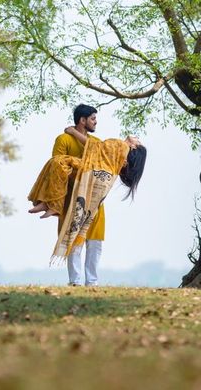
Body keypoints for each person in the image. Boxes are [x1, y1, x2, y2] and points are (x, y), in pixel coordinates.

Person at [28, 104, 146, 287]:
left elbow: (109, 155)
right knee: (74, 239)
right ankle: (75, 281)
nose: (95, 122)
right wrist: (81, 168)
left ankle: (92, 282)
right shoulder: (63, 139)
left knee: (95, 243)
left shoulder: (95, 141)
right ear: (82, 120)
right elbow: (57, 168)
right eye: (92, 118)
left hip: (95, 199)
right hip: (73, 197)